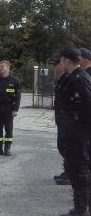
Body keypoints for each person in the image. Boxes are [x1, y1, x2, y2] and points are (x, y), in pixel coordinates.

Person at [56, 47, 91, 216]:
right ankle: (80, 206)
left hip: (79, 134)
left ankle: (81, 208)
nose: (60, 63)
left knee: (80, 172)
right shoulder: (71, 78)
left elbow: (87, 110)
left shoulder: (80, 80)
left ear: (68, 61)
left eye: (62, 60)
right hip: (71, 132)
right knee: (75, 170)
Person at [0, 60, 21, 156]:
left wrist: (15, 109)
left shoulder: (14, 80)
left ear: (8, 68)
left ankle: (7, 148)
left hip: (9, 107)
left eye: (2, 66)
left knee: (8, 128)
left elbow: (18, 96)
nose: (0, 68)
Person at [52, 54, 72, 186]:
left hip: (68, 120)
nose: (54, 68)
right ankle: (68, 171)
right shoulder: (63, 79)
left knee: (67, 147)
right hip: (62, 119)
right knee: (63, 146)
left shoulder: (70, 79)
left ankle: (70, 174)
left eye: (56, 64)